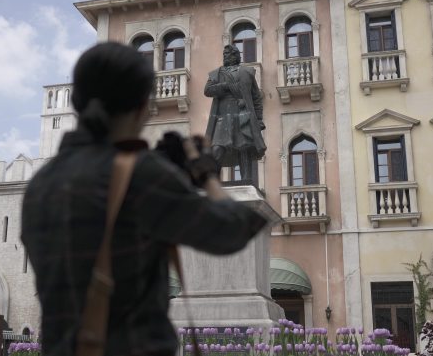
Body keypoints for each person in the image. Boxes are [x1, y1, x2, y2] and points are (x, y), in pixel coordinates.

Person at [21, 42, 269, 356]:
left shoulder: (40, 186)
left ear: (78, 102)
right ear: (142, 105)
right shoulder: (141, 175)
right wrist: (204, 174)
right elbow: (235, 229)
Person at [204, 44, 266, 182]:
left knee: (244, 147)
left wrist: (259, 118)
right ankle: (213, 180)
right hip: (222, 115)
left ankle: (246, 179)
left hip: (242, 113)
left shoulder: (247, 72)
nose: (225, 56)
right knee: (217, 147)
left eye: (228, 54)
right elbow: (207, 90)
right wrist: (225, 86)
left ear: (235, 56)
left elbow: (256, 97)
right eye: (224, 54)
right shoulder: (217, 73)